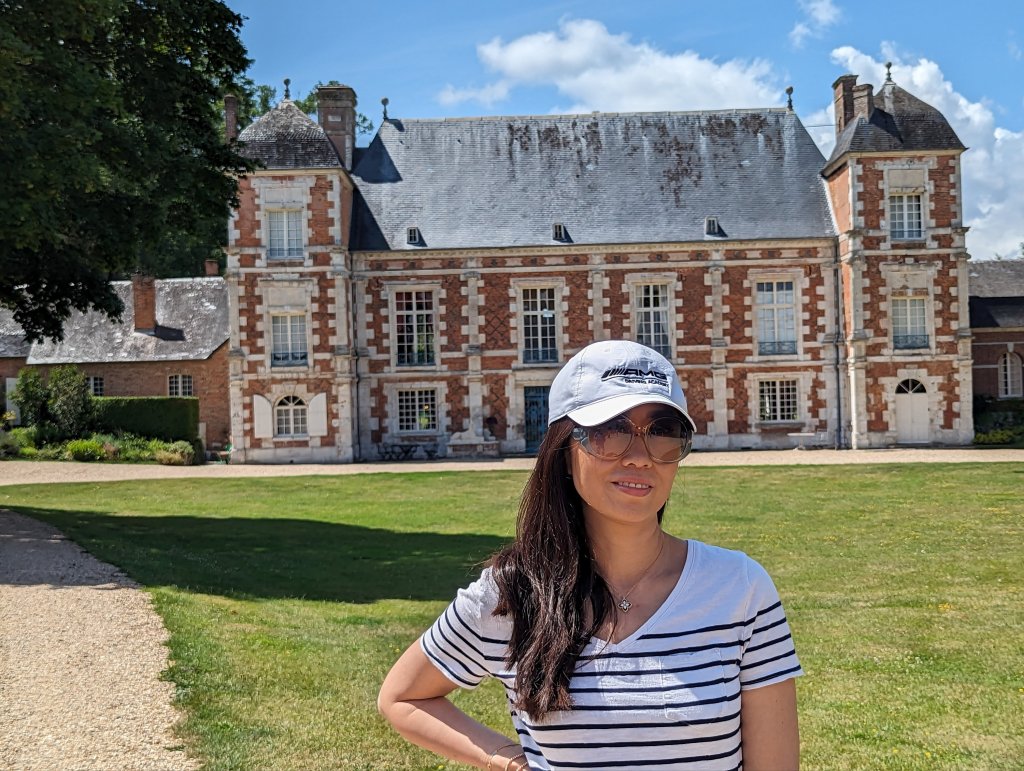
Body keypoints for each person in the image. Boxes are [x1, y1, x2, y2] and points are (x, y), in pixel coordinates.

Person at [378, 340, 802, 770]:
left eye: (663, 432)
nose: (640, 458)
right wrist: (514, 763)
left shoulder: (739, 588)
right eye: (610, 430)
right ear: (564, 451)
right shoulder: (515, 592)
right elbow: (403, 697)